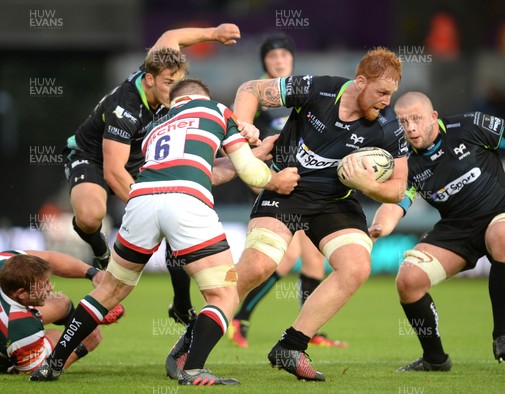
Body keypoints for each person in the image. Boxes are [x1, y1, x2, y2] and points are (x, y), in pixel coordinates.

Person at [30, 79, 299, 385]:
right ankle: (195, 368)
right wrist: (275, 179)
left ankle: (53, 363)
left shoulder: (155, 127)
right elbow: (249, 173)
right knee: (223, 294)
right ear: (204, 96)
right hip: (186, 203)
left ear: (173, 102)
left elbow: (202, 169)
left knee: (108, 292)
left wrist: (254, 154)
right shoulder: (217, 110)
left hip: (141, 201)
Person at [369, 91, 505, 372]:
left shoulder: (471, 126)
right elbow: (395, 204)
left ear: (433, 117)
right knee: (408, 281)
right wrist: (377, 227)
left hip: (501, 213)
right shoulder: (406, 163)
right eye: (403, 121)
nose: (410, 127)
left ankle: (501, 336)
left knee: (502, 237)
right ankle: (435, 358)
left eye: (416, 118)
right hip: (455, 229)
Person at [228, 47, 407, 381]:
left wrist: (368, 184)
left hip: (335, 200)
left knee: (356, 266)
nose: (386, 101)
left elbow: (398, 188)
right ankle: (194, 338)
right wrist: (243, 127)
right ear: (359, 82)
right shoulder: (318, 89)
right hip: (287, 187)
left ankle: (291, 346)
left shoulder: (388, 126)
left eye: (391, 94)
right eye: (381, 92)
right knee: (257, 266)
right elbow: (249, 90)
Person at [62, 23, 242, 327]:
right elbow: (113, 171)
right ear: (149, 80)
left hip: (139, 156)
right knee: (91, 216)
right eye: (169, 83)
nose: (175, 90)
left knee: (173, 218)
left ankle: (181, 303)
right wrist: (148, 210)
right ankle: (102, 254)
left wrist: (215, 33)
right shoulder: (126, 107)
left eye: (179, 82)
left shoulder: (163, 68)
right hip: (93, 155)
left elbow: (172, 37)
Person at [228, 33, 347, 349]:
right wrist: (259, 182)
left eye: (284, 55)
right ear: (264, 62)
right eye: (272, 56)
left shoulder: (300, 93)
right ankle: (239, 317)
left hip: (305, 185)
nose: (279, 60)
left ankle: (312, 331)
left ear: (292, 59)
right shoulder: (257, 96)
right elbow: (235, 140)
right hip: (274, 182)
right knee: (285, 256)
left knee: (313, 264)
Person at [0, 250, 123, 374]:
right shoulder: (19, 326)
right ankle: (7, 364)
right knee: (57, 338)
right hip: (13, 330)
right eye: (44, 285)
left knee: (60, 302)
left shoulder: (6, 260)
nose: (51, 288)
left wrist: (93, 274)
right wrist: (81, 347)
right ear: (21, 293)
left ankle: (78, 324)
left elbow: (49, 258)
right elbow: (40, 371)